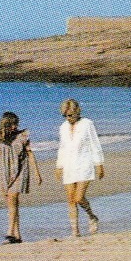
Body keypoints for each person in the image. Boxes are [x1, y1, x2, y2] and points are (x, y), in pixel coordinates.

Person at [0, 111, 40, 243]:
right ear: (5, 124)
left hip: (20, 170)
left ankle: (9, 232)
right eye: (12, 124)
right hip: (5, 173)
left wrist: (37, 173)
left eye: (16, 124)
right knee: (11, 204)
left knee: (13, 198)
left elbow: (30, 154)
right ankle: (17, 236)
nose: (15, 127)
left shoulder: (22, 137)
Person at [55, 98, 104, 236]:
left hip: (84, 164)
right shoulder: (63, 127)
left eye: (70, 115)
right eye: (65, 115)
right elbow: (62, 147)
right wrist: (59, 166)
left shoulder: (87, 124)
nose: (68, 118)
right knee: (71, 199)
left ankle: (92, 216)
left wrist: (99, 164)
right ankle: (75, 232)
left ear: (77, 112)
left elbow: (95, 144)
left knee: (79, 197)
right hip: (69, 165)